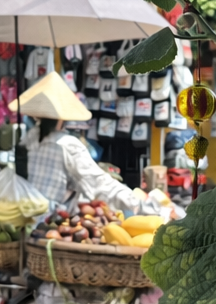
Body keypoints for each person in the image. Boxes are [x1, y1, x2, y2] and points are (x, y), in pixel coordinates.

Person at [17, 71, 151, 217]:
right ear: (63, 116)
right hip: (48, 223)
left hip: (24, 219)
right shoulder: (67, 145)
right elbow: (99, 184)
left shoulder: (29, 138)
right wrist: (140, 204)